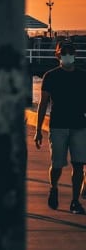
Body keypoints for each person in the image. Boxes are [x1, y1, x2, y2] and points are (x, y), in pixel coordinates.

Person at [34, 38, 86, 215]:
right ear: (57, 55)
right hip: (58, 127)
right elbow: (43, 104)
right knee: (57, 165)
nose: (68, 56)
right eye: (64, 53)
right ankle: (54, 187)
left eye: (70, 52)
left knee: (79, 165)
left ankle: (74, 201)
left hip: (79, 126)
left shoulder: (83, 76)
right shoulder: (51, 76)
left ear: (75, 55)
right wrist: (38, 130)